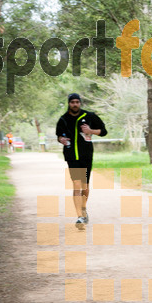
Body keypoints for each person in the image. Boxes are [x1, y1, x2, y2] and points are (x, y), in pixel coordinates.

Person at [55, 93, 107, 229]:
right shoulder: (63, 119)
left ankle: (83, 209)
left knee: (85, 186)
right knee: (77, 184)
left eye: (77, 102)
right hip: (71, 156)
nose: (75, 104)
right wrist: (61, 140)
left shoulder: (89, 116)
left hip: (86, 155)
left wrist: (91, 131)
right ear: (68, 103)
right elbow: (59, 136)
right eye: (72, 102)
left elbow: (104, 131)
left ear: (80, 103)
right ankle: (80, 216)